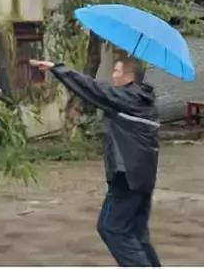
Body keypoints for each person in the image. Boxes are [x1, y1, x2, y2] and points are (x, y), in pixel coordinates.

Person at [30, 56, 161, 267]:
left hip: (126, 177)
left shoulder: (126, 98)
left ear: (129, 76)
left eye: (117, 71)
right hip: (143, 177)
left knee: (112, 229)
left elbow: (91, 88)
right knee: (136, 233)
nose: (113, 76)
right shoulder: (145, 100)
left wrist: (57, 69)